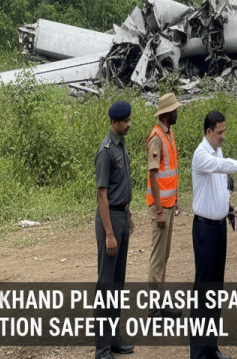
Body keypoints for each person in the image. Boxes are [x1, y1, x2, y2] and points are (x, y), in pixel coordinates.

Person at [191, 111, 237, 359]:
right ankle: (198, 354)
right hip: (205, 230)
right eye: (219, 132)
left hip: (219, 228)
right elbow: (220, 166)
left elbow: (219, 182)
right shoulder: (202, 154)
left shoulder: (216, 150)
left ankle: (211, 348)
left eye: (224, 131)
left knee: (215, 290)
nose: (223, 136)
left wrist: (225, 204)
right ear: (208, 132)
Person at [94, 100, 134, 359]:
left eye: (129, 120)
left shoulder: (121, 143)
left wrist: (128, 214)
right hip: (109, 220)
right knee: (106, 284)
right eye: (125, 121)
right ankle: (102, 348)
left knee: (118, 283)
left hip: (121, 216)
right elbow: (102, 194)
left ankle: (114, 338)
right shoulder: (106, 151)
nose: (129, 124)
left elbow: (121, 187)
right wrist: (109, 233)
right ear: (114, 122)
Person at [146, 93, 183, 318]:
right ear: (167, 113)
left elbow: (170, 171)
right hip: (160, 207)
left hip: (168, 204)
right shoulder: (157, 137)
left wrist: (175, 199)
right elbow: (153, 174)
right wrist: (159, 211)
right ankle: (154, 310)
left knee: (164, 256)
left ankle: (159, 304)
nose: (177, 112)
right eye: (175, 110)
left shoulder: (168, 132)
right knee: (157, 259)